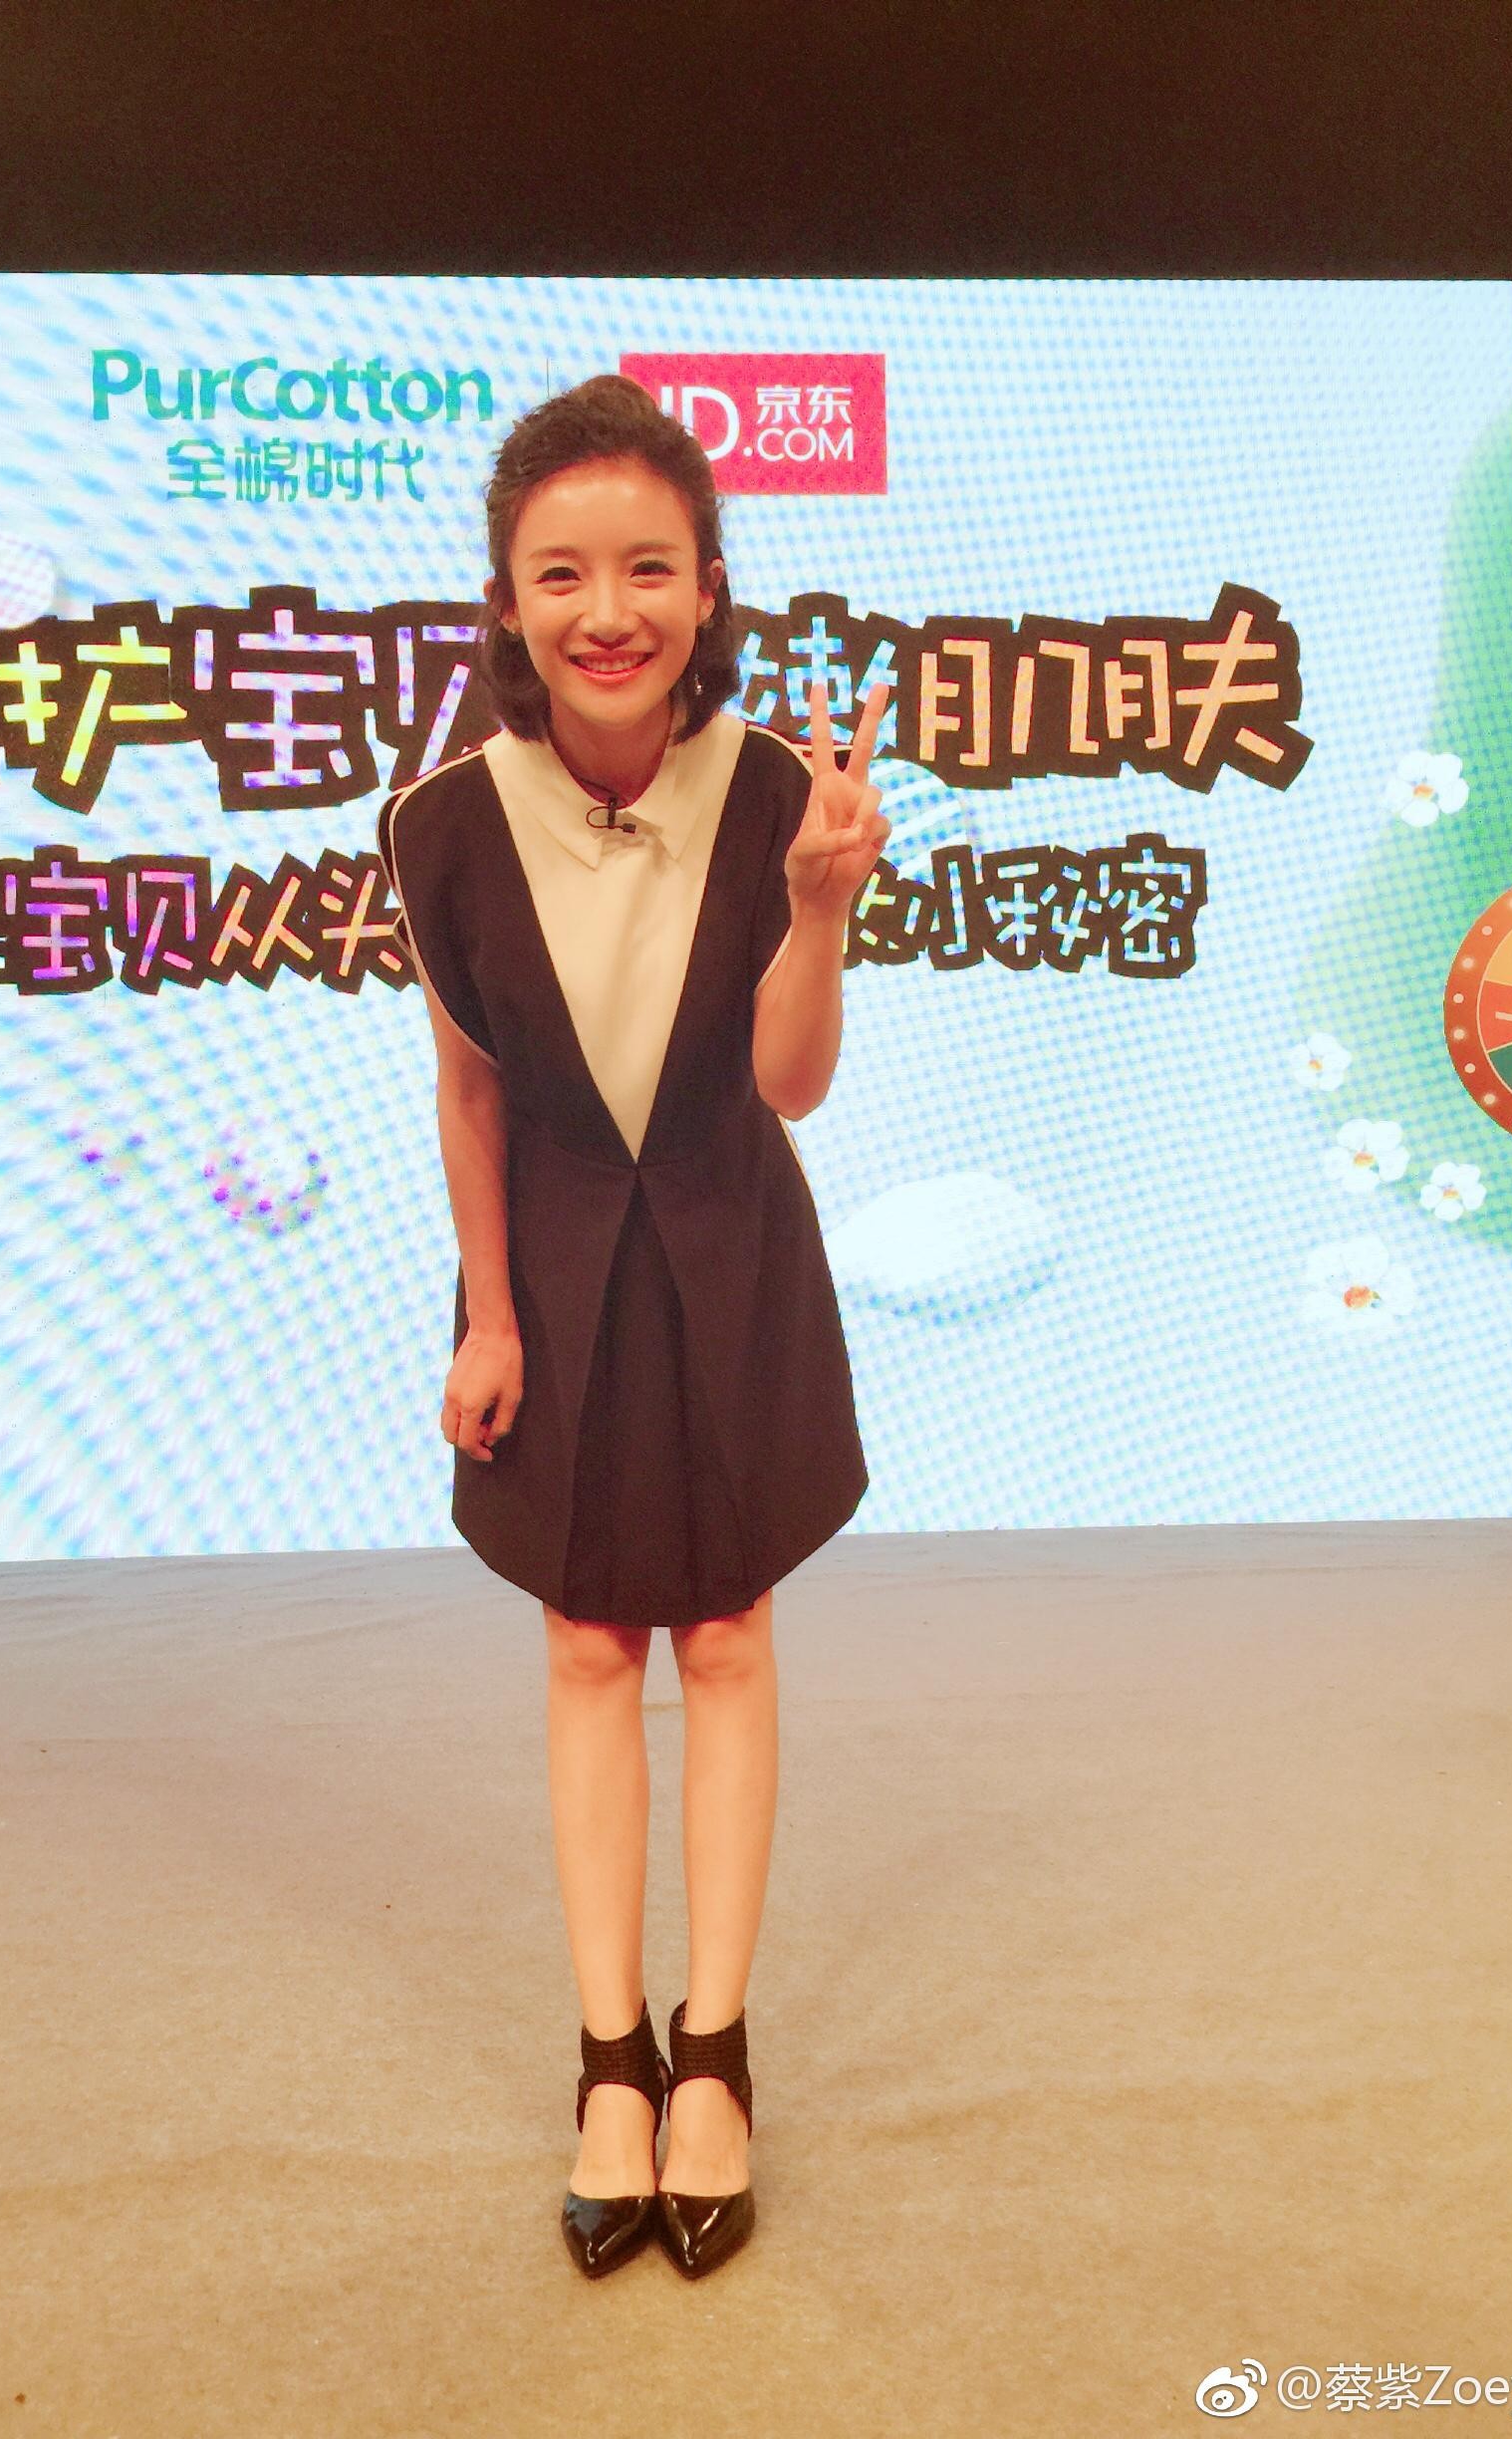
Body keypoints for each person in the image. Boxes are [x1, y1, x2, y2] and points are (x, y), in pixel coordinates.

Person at [376, 373, 888, 2281]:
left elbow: (790, 1086)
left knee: (729, 1635)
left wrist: (819, 911)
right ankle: (611, 2061)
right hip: (559, 1255)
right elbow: (471, 1091)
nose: (612, 611)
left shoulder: (780, 794)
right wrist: (488, 1316)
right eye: (564, 573)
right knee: (591, 1643)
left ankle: (715, 2056)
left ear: (710, 585)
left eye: (652, 568)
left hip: (733, 1241)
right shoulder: (439, 822)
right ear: (506, 601)